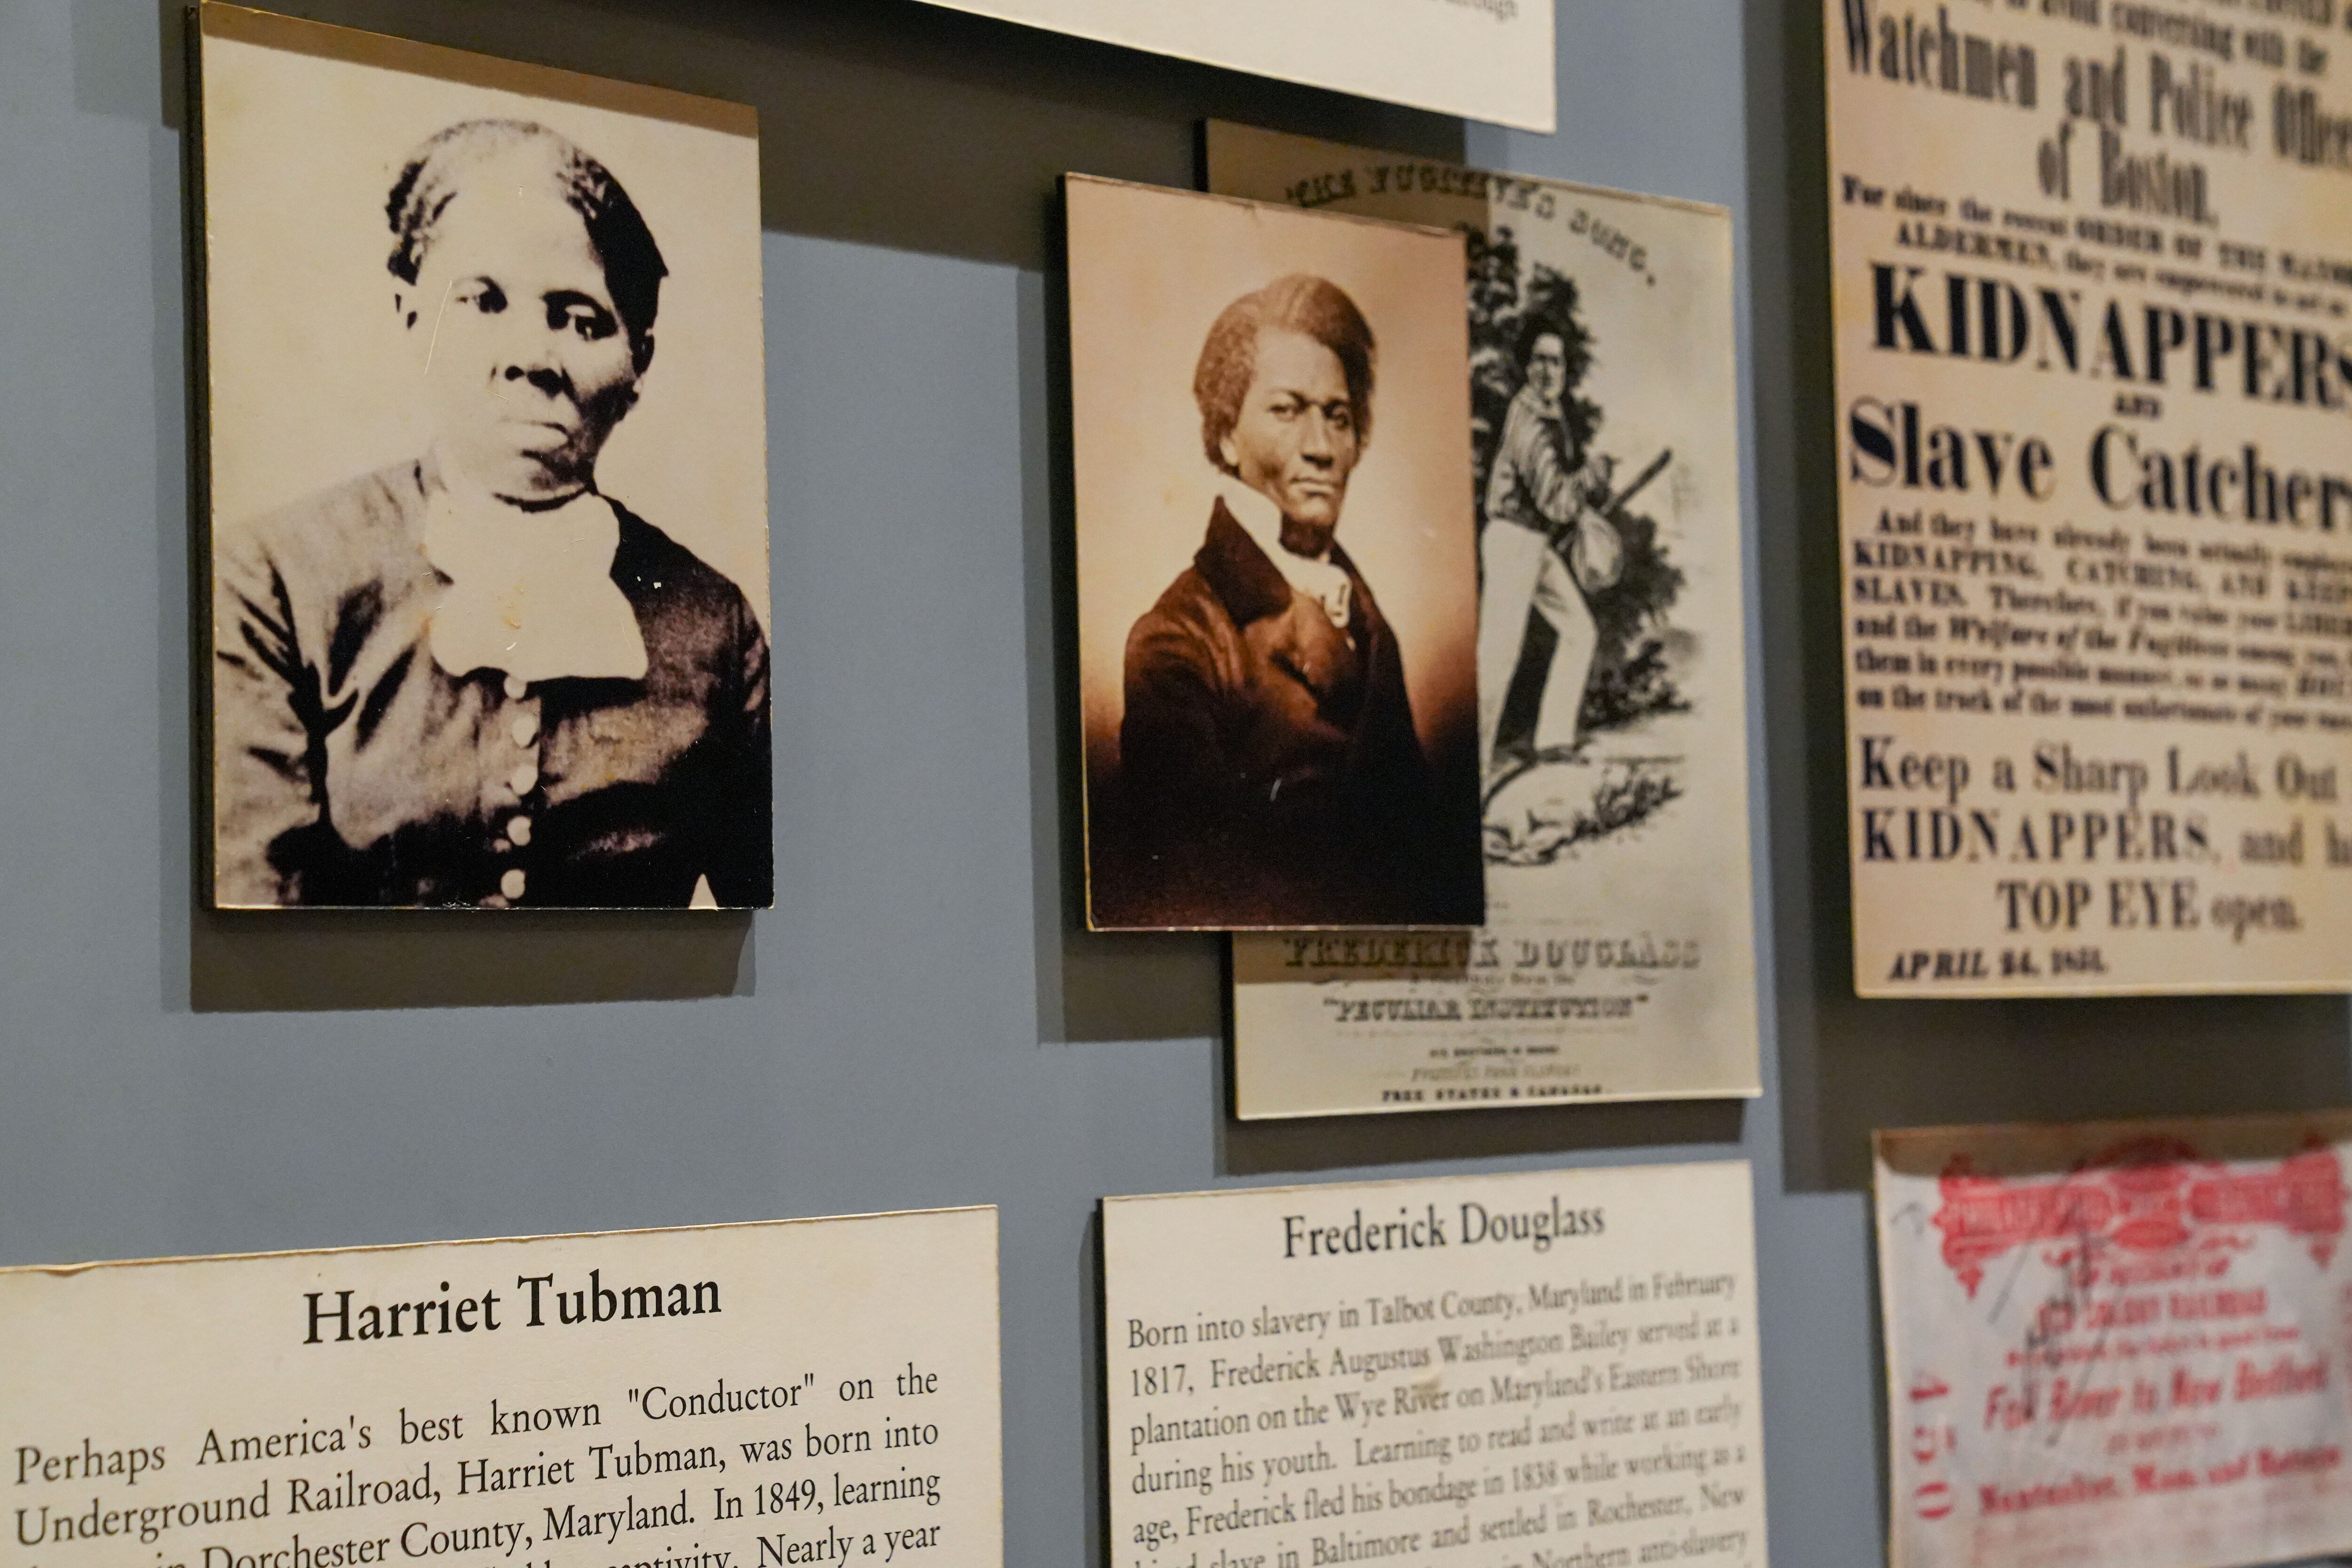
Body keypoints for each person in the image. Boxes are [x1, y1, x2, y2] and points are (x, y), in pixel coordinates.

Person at [213, 119, 771, 909]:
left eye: (582, 319)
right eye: (483, 301)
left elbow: (783, 934)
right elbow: (251, 920)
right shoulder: (276, 582)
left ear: (639, 360)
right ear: (414, 317)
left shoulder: (714, 624)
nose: (532, 358)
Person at [1111, 274, 1482, 928]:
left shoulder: (1367, 623)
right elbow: (1187, 892)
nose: (1320, 446)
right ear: (1227, 435)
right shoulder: (1180, 639)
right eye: (1286, 410)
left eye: (1337, 416)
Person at [1476, 318, 1613, 783]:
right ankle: (1466, 772)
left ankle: (1552, 739)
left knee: (1579, 630)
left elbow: (1556, 503)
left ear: (1566, 368)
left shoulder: (1552, 413)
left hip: (1532, 544)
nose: (1547, 369)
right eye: (1538, 359)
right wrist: (1590, 477)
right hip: (1512, 541)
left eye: (1555, 360)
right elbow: (1555, 498)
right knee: (1497, 658)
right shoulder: (1528, 420)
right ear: (1525, 365)